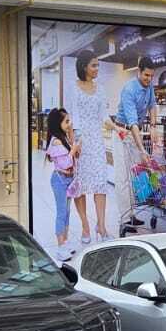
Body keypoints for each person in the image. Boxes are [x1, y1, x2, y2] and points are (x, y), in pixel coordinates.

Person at [63, 48, 115, 244]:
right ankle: (85, 226)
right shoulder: (73, 87)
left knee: (100, 184)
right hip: (79, 141)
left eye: (98, 65)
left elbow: (104, 117)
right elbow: (69, 117)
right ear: (84, 67)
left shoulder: (100, 89)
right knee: (80, 185)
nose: (97, 69)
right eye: (94, 65)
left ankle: (101, 226)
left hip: (96, 141)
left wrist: (118, 127)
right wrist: (72, 144)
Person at [41, 108, 79, 256]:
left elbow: (74, 156)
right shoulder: (56, 141)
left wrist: (71, 135)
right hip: (60, 180)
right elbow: (65, 164)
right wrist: (73, 151)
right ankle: (60, 246)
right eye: (66, 121)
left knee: (67, 212)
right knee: (62, 212)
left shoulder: (63, 138)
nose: (69, 124)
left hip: (68, 180)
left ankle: (65, 241)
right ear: (58, 123)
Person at [116, 56, 158, 160]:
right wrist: (142, 150)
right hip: (123, 132)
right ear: (139, 71)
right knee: (124, 169)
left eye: (152, 76)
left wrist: (153, 126)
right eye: (146, 75)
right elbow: (133, 122)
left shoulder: (149, 86)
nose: (149, 79)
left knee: (137, 167)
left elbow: (152, 105)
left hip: (137, 132)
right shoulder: (129, 90)